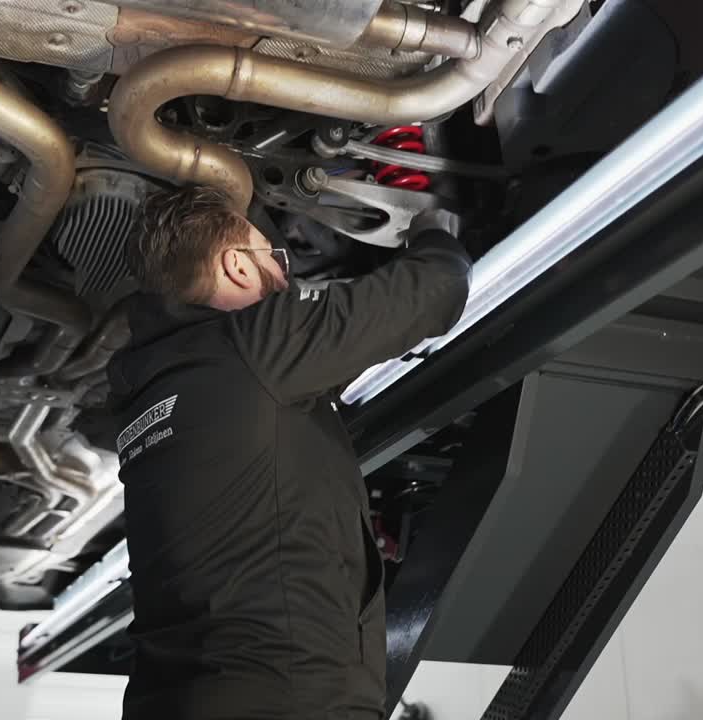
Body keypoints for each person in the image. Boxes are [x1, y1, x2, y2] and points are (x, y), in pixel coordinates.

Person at [107, 184, 472, 720]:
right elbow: (435, 289)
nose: (286, 274)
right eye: (274, 259)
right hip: (281, 695)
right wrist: (433, 232)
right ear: (236, 267)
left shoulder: (148, 394)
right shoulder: (250, 346)